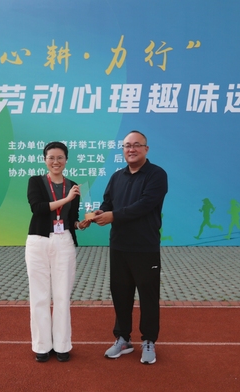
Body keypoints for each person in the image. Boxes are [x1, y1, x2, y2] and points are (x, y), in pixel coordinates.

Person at [93, 130, 168, 365]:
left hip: (145, 247)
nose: (131, 149)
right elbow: (108, 202)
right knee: (120, 294)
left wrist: (113, 215)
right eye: (127, 145)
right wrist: (100, 213)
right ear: (123, 150)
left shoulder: (157, 175)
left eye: (136, 145)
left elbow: (145, 205)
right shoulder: (117, 177)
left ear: (146, 149)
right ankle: (123, 338)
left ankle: (149, 340)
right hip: (119, 245)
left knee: (148, 295)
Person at [25, 141, 90, 362]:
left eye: (60, 157)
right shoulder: (36, 181)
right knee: (39, 295)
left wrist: (80, 224)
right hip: (38, 241)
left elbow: (71, 219)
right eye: (51, 157)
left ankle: (62, 345)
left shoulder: (73, 186)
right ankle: (42, 346)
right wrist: (67, 199)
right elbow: (38, 208)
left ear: (66, 160)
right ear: (45, 160)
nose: (56, 161)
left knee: (62, 295)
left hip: (64, 242)